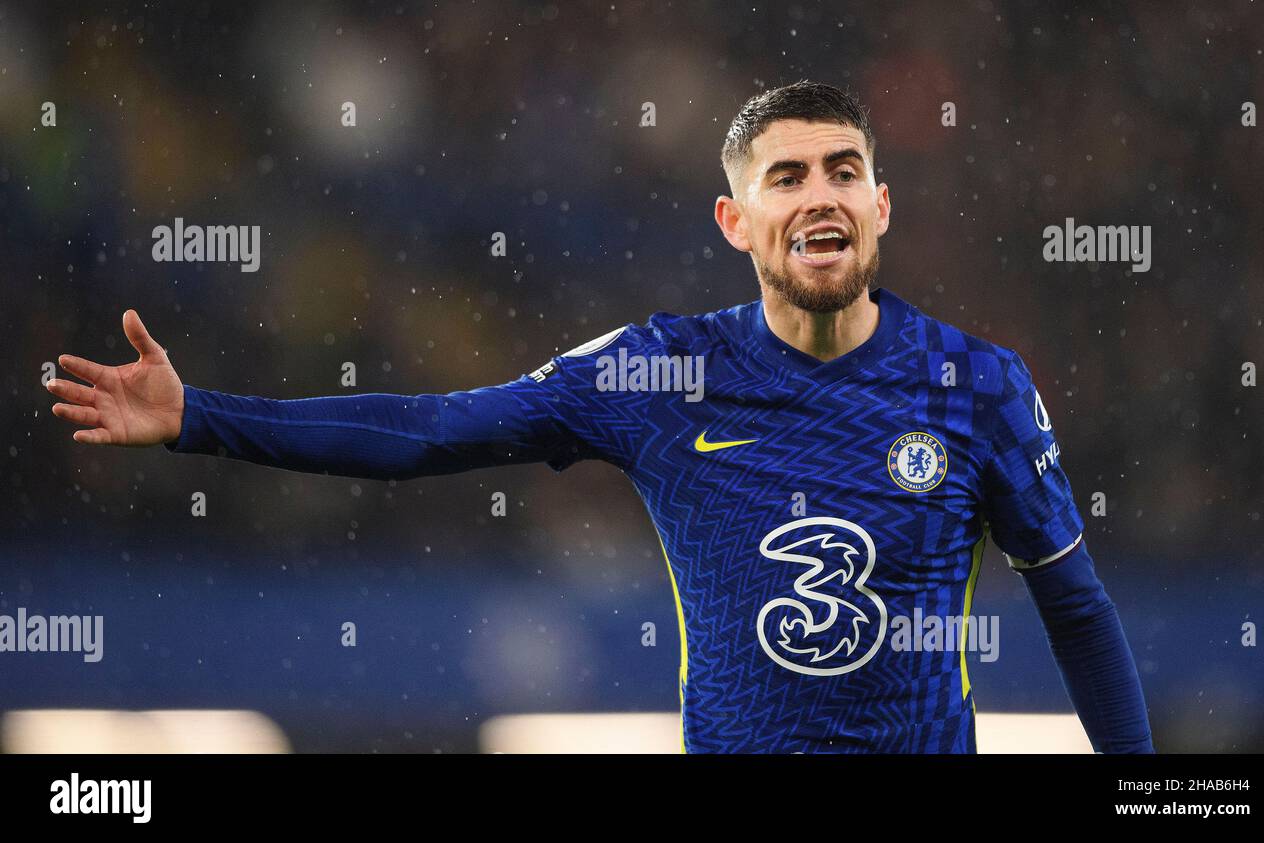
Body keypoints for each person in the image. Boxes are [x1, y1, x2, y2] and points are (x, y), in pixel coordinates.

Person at [47, 80, 1153, 753]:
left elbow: (1079, 613)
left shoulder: (980, 388)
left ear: (878, 206)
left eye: (842, 169)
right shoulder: (661, 374)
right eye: (785, 176)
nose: (818, 193)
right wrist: (202, 418)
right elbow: (433, 429)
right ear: (735, 218)